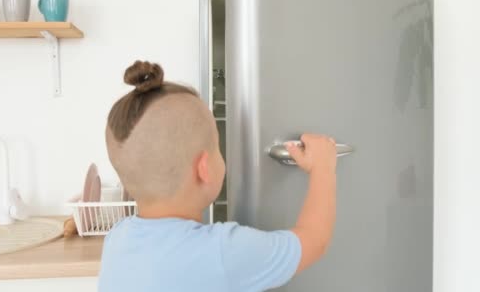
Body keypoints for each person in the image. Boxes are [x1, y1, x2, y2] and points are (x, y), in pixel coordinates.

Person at [98, 60, 337, 292]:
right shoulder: (223, 252)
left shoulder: (117, 238)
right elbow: (314, 240)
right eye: (217, 146)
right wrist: (323, 167)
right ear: (204, 169)